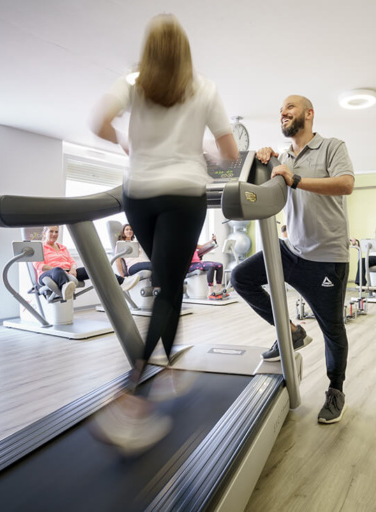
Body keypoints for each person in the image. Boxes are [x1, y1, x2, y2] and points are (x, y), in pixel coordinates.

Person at [90, 13, 238, 452]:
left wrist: (124, 141)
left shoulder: (133, 82)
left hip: (138, 194)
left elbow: (97, 121)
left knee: (164, 283)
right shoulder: (203, 87)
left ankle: (169, 366)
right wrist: (207, 151)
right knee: (169, 290)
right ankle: (132, 396)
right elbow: (229, 153)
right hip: (183, 194)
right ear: (185, 52)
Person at [231, 95, 354, 424]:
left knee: (332, 329)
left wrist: (295, 178)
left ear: (309, 114)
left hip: (327, 258)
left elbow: (345, 185)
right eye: (280, 111)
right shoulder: (282, 157)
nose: (283, 113)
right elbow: (263, 189)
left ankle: (335, 390)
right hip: (291, 250)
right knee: (240, 277)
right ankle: (290, 330)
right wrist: (264, 161)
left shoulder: (331, 147)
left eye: (290, 108)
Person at [33, 226, 139, 302]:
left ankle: (122, 282)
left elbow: (72, 262)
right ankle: (65, 287)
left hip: (68, 272)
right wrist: (60, 270)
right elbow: (38, 265)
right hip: (48, 274)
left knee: (93, 268)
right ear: (44, 233)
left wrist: (73, 269)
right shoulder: (39, 247)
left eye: (56, 232)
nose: (54, 234)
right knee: (57, 270)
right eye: (51, 231)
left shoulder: (62, 247)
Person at [188, 234, 226, 300]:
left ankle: (218, 290)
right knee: (211, 266)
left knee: (220, 265)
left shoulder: (192, 242)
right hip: (191, 265)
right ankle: (210, 292)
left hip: (198, 263)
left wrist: (211, 240)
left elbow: (201, 246)